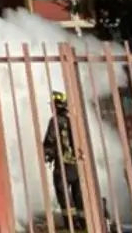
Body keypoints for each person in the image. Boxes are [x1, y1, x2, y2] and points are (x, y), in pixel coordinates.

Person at [44, 90, 84, 221]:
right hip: (77, 164)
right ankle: (84, 220)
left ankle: (71, 222)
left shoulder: (55, 121)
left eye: (53, 105)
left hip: (63, 164)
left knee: (63, 193)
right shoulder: (73, 120)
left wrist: (47, 154)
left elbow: (50, 139)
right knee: (78, 193)